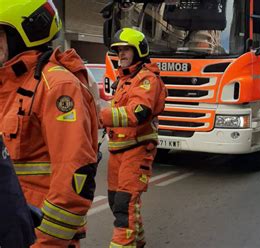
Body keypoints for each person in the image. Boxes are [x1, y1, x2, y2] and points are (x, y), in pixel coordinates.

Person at [0, 0, 99, 247]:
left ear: (23, 34)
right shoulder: (6, 85)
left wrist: (44, 242)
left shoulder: (57, 86)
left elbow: (75, 177)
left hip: (38, 236)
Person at [100, 27, 167, 247]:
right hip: (118, 150)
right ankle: (138, 241)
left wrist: (102, 117)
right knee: (115, 201)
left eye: (126, 50)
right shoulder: (125, 79)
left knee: (124, 205)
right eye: (118, 51)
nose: (121, 55)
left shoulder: (146, 78)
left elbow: (139, 112)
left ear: (139, 51)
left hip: (137, 150)